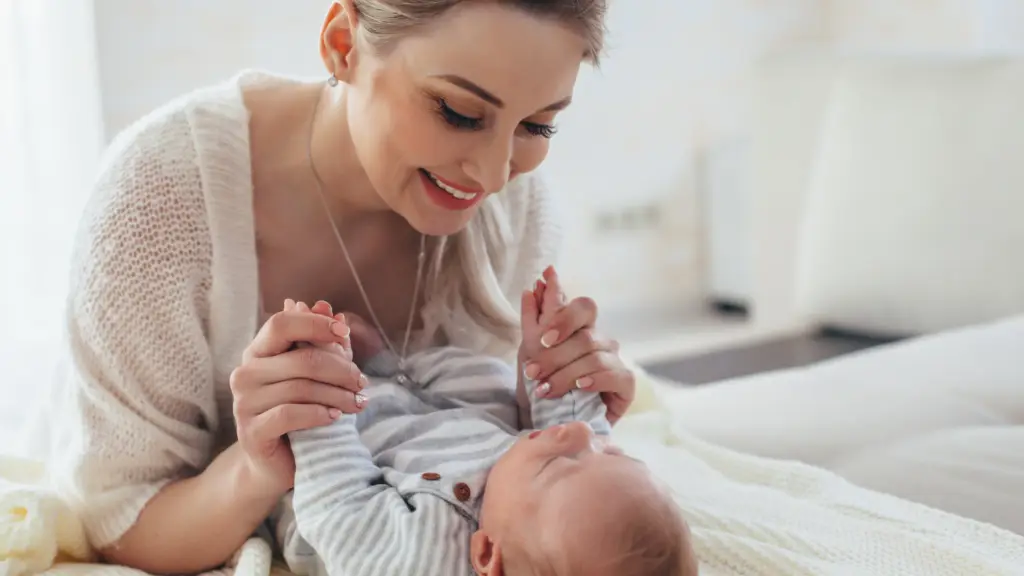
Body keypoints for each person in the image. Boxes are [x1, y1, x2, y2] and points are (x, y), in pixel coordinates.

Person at [51, 1, 637, 573]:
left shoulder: (518, 212)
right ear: (342, 43)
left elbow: (473, 473)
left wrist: (540, 400)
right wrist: (257, 468)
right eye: (458, 112)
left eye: (538, 124)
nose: (493, 175)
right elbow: (118, 522)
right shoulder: (160, 202)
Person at [282, 276, 695, 576]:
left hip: (368, 461)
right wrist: (550, 353)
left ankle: (370, 370)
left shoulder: (420, 561)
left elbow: (339, 503)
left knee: (373, 413)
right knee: (487, 382)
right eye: (613, 454)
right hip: (468, 430)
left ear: (485, 554)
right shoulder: (549, 504)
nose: (583, 437)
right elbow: (578, 424)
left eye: (559, 465)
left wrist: (321, 390)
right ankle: (390, 363)